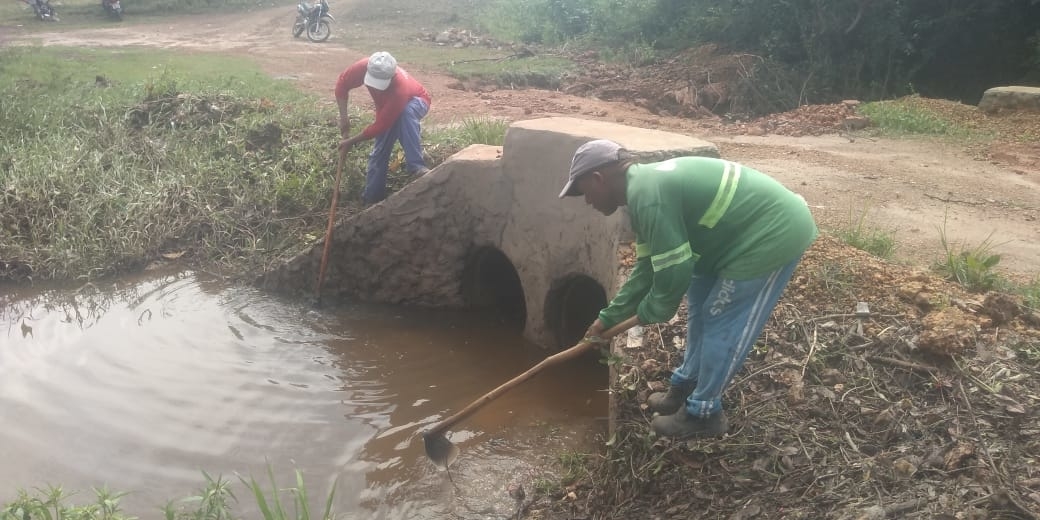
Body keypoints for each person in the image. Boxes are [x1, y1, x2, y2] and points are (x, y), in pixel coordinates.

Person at [559, 139, 818, 440]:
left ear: (598, 179)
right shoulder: (640, 193)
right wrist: (609, 318)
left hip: (770, 234)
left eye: (583, 192)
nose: (587, 201)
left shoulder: (648, 194)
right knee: (699, 306)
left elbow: (674, 269)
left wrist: (653, 309)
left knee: (721, 317)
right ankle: (685, 385)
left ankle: (704, 413)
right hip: (723, 243)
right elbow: (646, 268)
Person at [335, 51, 432, 205]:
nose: (377, 89)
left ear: (391, 77)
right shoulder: (364, 66)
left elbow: (380, 126)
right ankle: (372, 198)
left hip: (417, 101)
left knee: (405, 115)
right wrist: (344, 118)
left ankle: (416, 166)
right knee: (380, 150)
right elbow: (342, 85)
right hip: (385, 107)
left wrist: (351, 141)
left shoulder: (400, 89)